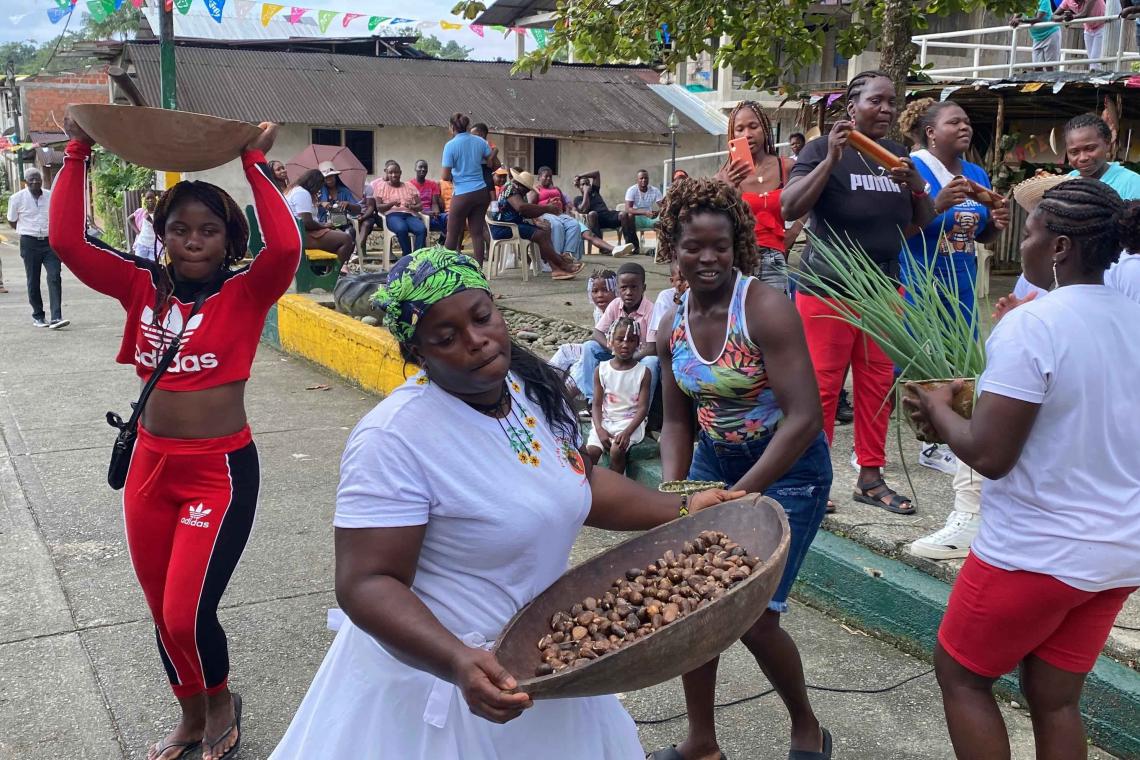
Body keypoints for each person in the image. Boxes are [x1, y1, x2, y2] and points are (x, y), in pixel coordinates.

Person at [269, 246, 744, 758]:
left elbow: (575, 482)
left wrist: (680, 508)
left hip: (547, 657)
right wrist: (454, 660)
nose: (476, 341)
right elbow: (366, 583)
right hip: (446, 680)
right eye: (446, 338)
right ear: (418, 353)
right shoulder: (394, 439)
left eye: (481, 316)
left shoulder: (527, 389)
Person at [53, 116, 298, 760]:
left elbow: (286, 251)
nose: (193, 240)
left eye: (208, 229)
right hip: (150, 469)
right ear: (160, 236)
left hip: (218, 474)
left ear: (227, 239)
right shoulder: (141, 286)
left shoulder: (247, 292)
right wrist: (78, 150)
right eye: (180, 228)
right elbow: (69, 243)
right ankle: (188, 715)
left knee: (188, 612)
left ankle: (221, 701)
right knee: (162, 611)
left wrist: (252, 163)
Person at [904, 178, 1140, 759]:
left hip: (1037, 551)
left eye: (1030, 233)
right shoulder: (1131, 317)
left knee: (961, 675)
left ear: (1059, 247)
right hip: (1119, 552)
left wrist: (937, 405)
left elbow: (989, 454)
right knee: (1055, 698)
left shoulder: (1033, 325)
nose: (1022, 242)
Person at [651, 177, 834, 760]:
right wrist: (679, 496)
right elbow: (676, 423)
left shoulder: (763, 307)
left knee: (755, 621)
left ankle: (807, 727)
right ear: (671, 248)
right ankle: (702, 744)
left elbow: (804, 416)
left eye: (720, 247)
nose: (707, 259)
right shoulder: (671, 323)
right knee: (693, 609)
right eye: (693, 247)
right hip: (714, 460)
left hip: (789, 469)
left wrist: (740, 494)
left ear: (739, 247)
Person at [782, 71, 936, 515]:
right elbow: (791, 205)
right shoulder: (818, 149)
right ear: (852, 108)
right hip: (827, 289)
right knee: (824, 391)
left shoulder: (899, 155)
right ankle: (815, 479)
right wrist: (831, 157)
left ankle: (870, 478)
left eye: (892, 102)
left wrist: (915, 186)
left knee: (877, 389)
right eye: (876, 101)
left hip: (885, 290)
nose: (886, 109)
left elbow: (919, 220)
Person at [896, 99, 1010, 483]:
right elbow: (902, 228)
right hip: (920, 281)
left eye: (966, 123)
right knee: (923, 367)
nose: (965, 127)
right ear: (930, 132)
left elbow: (981, 232)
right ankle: (928, 443)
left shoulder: (976, 173)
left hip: (961, 281)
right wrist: (936, 203)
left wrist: (996, 222)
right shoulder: (916, 168)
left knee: (959, 366)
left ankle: (949, 440)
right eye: (954, 122)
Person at [717, 101, 802, 293]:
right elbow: (714, 221)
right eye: (740, 129)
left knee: (775, 320)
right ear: (733, 135)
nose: (747, 134)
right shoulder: (723, 176)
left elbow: (812, 197)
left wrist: (795, 231)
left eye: (753, 126)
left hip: (775, 260)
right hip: (738, 262)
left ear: (765, 128)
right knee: (738, 320)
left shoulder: (787, 167)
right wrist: (728, 188)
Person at [572, 262, 658, 403]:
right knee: (589, 347)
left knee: (652, 362)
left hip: (639, 356)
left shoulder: (651, 310)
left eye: (634, 287)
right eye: (624, 288)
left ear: (644, 288)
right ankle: (592, 400)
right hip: (616, 352)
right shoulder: (615, 304)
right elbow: (598, 332)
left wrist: (630, 357)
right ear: (618, 289)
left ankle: (643, 412)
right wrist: (614, 350)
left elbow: (651, 348)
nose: (628, 292)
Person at [489, 169, 584, 280]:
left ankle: (556, 270)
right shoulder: (511, 188)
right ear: (521, 185)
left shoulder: (516, 190)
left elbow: (527, 212)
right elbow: (521, 208)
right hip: (503, 228)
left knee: (545, 229)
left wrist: (538, 220)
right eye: (527, 189)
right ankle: (562, 263)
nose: (527, 192)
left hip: (513, 225)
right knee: (540, 234)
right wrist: (547, 208)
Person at [586, 316, 652, 474]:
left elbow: (642, 408)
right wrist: (599, 429)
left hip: (629, 424)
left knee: (617, 450)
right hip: (606, 421)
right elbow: (596, 404)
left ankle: (614, 487)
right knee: (591, 453)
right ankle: (588, 489)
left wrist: (627, 432)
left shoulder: (643, 372)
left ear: (637, 343)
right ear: (611, 340)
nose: (625, 344)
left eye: (631, 340)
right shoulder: (601, 370)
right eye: (620, 339)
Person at [8, 167, 68, 329]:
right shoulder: (16, 198)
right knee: (33, 280)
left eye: (37, 179)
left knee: (55, 276)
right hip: (29, 243)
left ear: (42, 180)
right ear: (25, 182)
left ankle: (56, 317)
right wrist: (28, 231)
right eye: (31, 180)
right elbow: (12, 221)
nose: (35, 182)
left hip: (49, 243)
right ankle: (38, 316)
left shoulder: (50, 196)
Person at [548, 268, 618, 387]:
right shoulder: (598, 311)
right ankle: (546, 383)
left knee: (581, 364)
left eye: (605, 290)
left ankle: (564, 398)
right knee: (566, 350)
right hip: (601, 348)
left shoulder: (618, 310)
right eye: (595, 291)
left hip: (612, 354)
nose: (600, 295)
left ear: (615, 290)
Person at [442, 113, 493, 263]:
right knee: (477, 233)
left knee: (452, 233)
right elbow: (492, 161)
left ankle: (445, 269)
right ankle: (478, 271)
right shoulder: (480, 141)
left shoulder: (450, 145)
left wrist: (457, 176)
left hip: (462, 193)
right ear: (468, 127)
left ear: (451, 127)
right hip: (481, 192)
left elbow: (445, 175)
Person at [285, 168, 355, 273]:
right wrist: (324, 226)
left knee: (338, 238)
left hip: (300, 232)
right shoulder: (302, 193)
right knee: (346, 239)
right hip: (302, 235)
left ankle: (326, 273)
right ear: (313, 184)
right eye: (318, 187)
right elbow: (306, 222)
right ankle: (332, 275)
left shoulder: (294, 190)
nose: (318, 190)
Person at [1063, 113, 1140, 195]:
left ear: (1107, 144)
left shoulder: (1132, 183)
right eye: (1074, 152)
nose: (1083, 158)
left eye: (1090, 149)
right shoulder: (1068, 180)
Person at [527, 166, 585, 261]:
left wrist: (567, 212)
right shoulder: (536, 190)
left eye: (550, 176)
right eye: (546, 176)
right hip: (544, 214)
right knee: (557, 225)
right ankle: (556, 258)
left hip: (559, 214)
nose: (549, 178)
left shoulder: (556, 189)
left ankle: (567, 254)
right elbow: (531, 207)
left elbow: (565, 203)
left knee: (574, 225)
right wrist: (547, 205)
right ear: (539, 177)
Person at [371, 160, 428, 256]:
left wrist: (411, 206)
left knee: (421, 229)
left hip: (409, 215)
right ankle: (407, 256)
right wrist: (392, 203)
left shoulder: (409, 186)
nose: (394, 175)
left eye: (396, 172)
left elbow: (420, 206)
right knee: (402, 229)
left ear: (400, 173)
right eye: (390, 173)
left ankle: (418, 257)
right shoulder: (381, 187)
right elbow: (379, 207)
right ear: (387, 174)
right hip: (392, 215)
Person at [572, 170, 630, 255]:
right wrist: (586, 193)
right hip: (595, 222)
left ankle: (628, 245)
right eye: (583, 184)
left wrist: (579, 176)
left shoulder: (595, 190)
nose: (586, 186)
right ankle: (603, 249)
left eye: (587, 183)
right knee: (592, 214)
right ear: (579, 187)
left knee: (624, 214)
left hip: (607, 216)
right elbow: (583, 209)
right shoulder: (578, 199)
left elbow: (596, 173)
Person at [646, 255, 687, 356]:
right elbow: (663, 333)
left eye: (690, 278)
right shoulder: (665, 297)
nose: (687, 284)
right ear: (672, 281)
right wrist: (679, 301)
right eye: (681, 280)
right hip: (672, 349)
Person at [620, 169, 663, 256]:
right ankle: (634, 246)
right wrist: (644, 212)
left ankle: (661, 248)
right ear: (637, 180)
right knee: (629, 215)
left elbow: (664, 207)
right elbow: (628, 209)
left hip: (649, 218)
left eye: (646, 178)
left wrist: (657, 213)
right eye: (641, 178)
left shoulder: (654, 190)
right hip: (636, 219)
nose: (644, 180)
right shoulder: (632, 190)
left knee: (664, 218)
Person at [1010, 1, 1062, 71]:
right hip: (1037, 37)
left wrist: (1020, 20)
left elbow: (1039, 18)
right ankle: (1040, 82)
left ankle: (1051, 82)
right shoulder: (1024, 2)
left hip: (1050, 33)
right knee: (1037, 67)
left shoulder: (1044, 1)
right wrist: (1014, 20)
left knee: (1050, 66)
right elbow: (1017, 15)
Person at [1055, 0, 1107, 70]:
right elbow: (1054, 15)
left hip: (1102, 26)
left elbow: (1084, 14)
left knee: (1095, 59)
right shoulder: (1067, 1)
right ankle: (1095, 76)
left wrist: (1071, 17)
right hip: (1088, 28)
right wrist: (1063, 17)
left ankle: (1095, 77)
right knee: (1091, 59)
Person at [316, 161, 361, 234]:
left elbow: (358, 209)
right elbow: (310, 205)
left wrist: (348, 205)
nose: (329, 180)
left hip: (341, 223)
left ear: (336, 176)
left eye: (331, 176)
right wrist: (321, 203)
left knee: (350, 232)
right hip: (323, 224)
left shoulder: (344, 190)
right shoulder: (318, 191)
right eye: (326, 178)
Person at [409, 159, 447, 243]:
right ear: (415, 168)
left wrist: (436, 212)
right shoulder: (409, 185)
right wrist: (425, 213)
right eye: (420, 167)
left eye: (425, 167)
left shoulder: (432, 184)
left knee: (449, 219)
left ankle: (442, 244)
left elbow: (434, 203)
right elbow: (411, 207)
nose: (423, 169)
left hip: (431, 215)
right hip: (417, 215)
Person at [132, 188, 161, 262]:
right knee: (139, 265)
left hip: (154, 247)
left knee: (152, 267)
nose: (150, 200)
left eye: (152, 198)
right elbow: (129, 219)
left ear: (156, 199)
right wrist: (138, 232)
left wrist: (150, 220)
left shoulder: (159, 213)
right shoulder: (141, 212)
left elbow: (159, 226)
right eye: (148, 198)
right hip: (141, 244)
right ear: (145, 200)